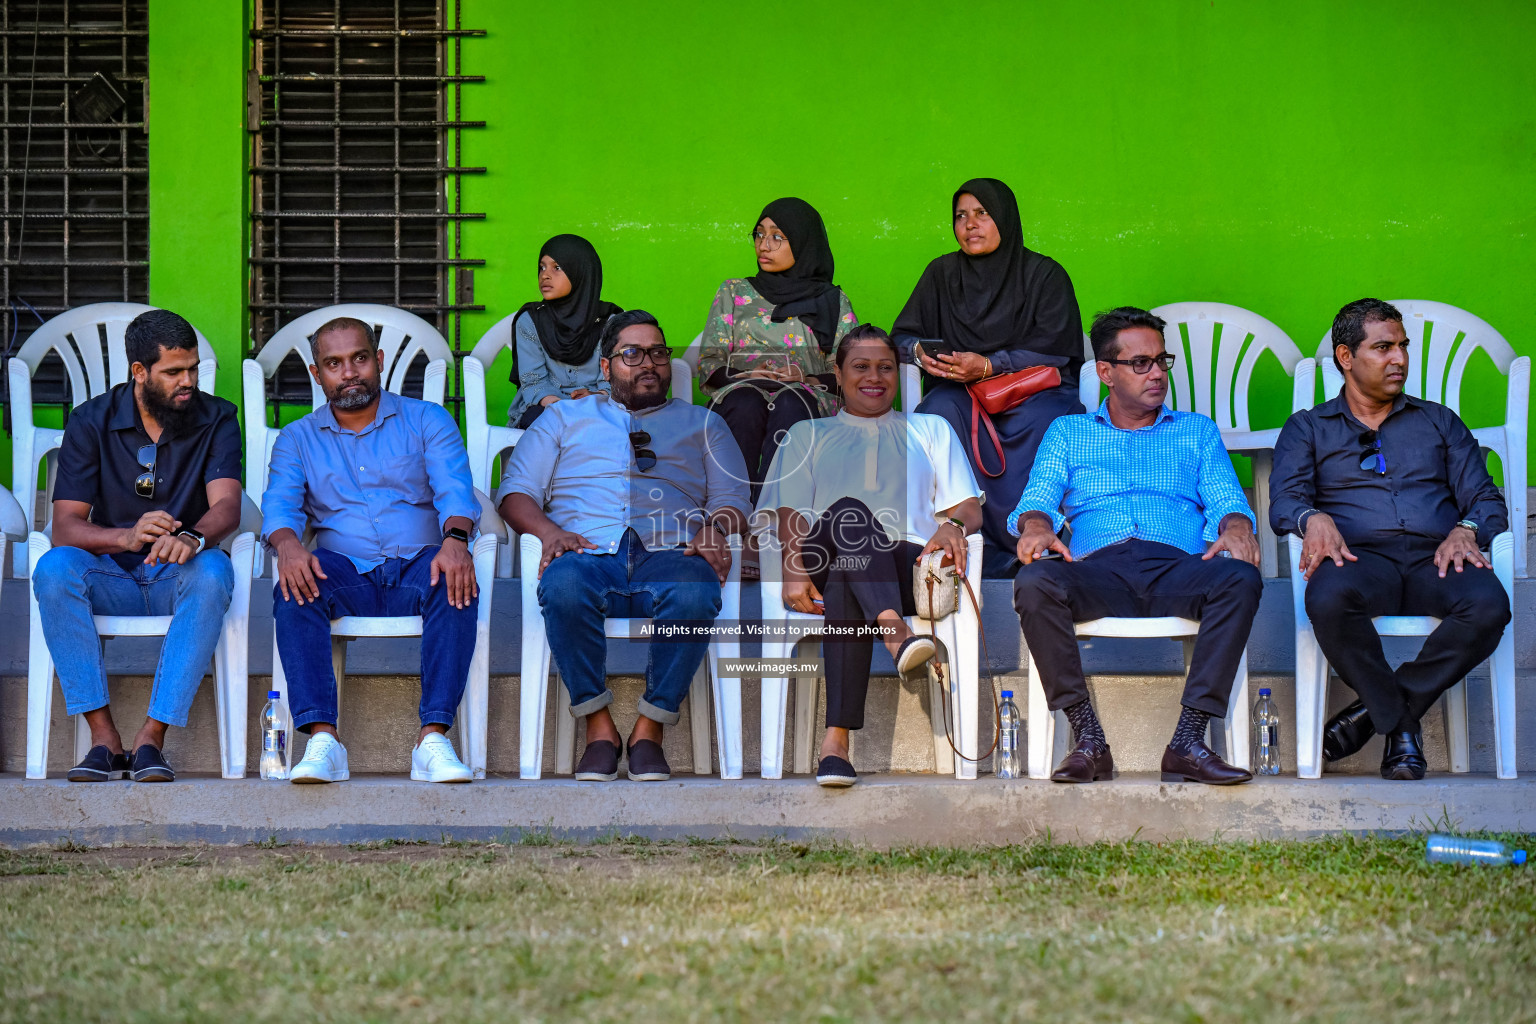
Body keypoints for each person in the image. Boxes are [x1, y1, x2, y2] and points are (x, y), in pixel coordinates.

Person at [1011, 307, 1261, 786]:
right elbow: (1037, 498)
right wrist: (1038, 526)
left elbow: (1228, 499)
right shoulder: (1069, 432)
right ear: (1106, 372)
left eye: (1162, 362)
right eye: (1140, 363)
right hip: (1098, 571)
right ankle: (1089, 740)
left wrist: (1234, 525)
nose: (1157, 374)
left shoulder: (1196, 430)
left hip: (1177, 570)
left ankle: (1188, 740)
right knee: (1035, 580)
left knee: (1240, 577)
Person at [499, 309, 750, 782]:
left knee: (696, 592)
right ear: (606, 364)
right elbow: (515, 492)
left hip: (675, 549)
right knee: (564, 587)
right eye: (631, 354)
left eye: (657, 353)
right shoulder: (564, 418)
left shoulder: (704, 423)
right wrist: (549, 534)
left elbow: (734, 498)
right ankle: (599, 728)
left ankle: (649, 729)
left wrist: (715, 528)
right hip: (586, 548)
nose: (648, 364)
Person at [1270, 298, 1510, 781]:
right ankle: (1401, 725)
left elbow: (1487, 500)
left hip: (1436, 558)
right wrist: (1310, 517)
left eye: (1402, 346)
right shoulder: (1308, 428)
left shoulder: (1439, 422)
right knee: (1330, 596)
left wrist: (1467, 530)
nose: (1399, 358)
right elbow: (1284, 502)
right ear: (1345, 357)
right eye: (1383, 347)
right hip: (1359, 559)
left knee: (1489, 606)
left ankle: (1373, 716)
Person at [758, 324, 983, 787]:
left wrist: (952, 525)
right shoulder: (808, 433)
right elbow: (787, 512)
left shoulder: (930, 428)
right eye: (860, 367)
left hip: (909, 566)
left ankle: (835, 743)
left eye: (885, 368)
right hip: (820, 551)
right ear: (838, 374)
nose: (874, 377)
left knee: (849, 573)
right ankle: (894, 632)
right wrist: (791, 567)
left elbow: (969, 506)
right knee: (849, 512)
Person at [261, 316, 483, 784]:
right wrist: (287, 546)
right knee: (295, 585)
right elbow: (279, 507)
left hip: (422, 561)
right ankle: (323, 738)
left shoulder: (426, 419)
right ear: (317, 372)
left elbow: (456, 492)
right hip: (344, 571)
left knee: (455, 579)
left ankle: (433, 739)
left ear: (378, 361)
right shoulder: (297, 439)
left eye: (359, 359)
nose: (349, 373)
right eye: (334, 363)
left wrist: (456, 541)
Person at [32, 309, 241, 783]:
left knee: (214, 572)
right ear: (139, 372)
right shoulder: (90, 421)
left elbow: (227, 505)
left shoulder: (217, 417)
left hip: (176, 575)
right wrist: (123, 537)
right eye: (173, 372)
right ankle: (104, 739)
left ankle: (152, 738)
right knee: (53, 569)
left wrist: (192, 536)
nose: (187, 381)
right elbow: (64, 526)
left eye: (192, 369)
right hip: (112, 576)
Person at [893, 177, 1086, 578]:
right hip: (962, 392)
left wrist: (989, 365)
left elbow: (1057, 347)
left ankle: (1030, 538)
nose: (970, 224)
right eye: (961, 216)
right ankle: (956, 539)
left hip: (1032, 392)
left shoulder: (1044, 274)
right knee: (937, 413)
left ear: (1005, 218)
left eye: (981, 214)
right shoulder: (941, 274)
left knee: (1050, 421)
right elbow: (901, 337)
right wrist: (921, 356)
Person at [699, 197, 858, 503]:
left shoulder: (832, 300)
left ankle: (774, 511)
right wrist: (746, 375)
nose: (763, 245)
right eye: (759, 234)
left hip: (804, 397)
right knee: (745, 402)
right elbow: (708, 364)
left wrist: (805, 378)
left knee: (789, 402)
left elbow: (852, 372)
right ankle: (734, 508)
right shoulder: (733, 291)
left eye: (776, 237)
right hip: (740, 393)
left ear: (803, 241)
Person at [504, 233, 622, 430]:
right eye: (542, 267)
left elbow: (614, 381)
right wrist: (564, 409)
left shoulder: (610, 322)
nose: (545, 275)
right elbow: (533, 382)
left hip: (597, 406)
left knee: (608, 424)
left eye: (557, 268)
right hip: (545, 407)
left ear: (581, 271)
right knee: (544, 425)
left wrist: (595, 398)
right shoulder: (531, 320)